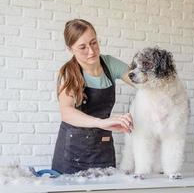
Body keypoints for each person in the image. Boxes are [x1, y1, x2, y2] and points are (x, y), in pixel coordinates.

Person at [52, 19, 134, 174]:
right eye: (82, 47)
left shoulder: (110, 64)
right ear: (71, 49)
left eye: (93, 43)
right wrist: (101, 122)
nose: (91, 51)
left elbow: (142, 83)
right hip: (71, 153)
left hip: (103, 149)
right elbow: (66, 112)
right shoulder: (69, 73)